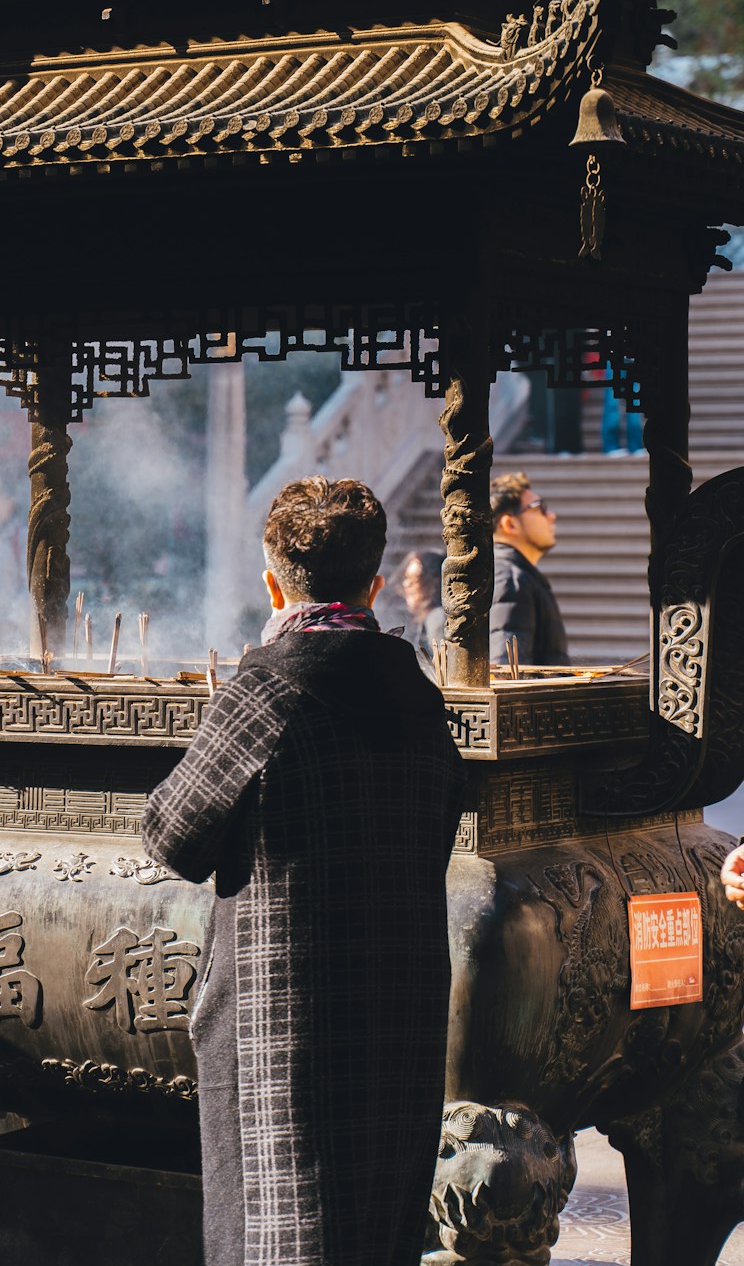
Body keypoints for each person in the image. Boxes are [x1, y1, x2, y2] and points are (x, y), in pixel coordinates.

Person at [142, 475, 467, 1266]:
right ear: (376, 582)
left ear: (271, 578)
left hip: (281, 1023)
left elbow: (171, 835)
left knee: (282, 1233)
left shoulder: (266, 688)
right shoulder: (422, 698)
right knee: (376, 1228)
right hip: (400, 1012)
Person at [489, 471, 569, 666]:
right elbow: (507, 674)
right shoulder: (511, 580)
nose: (551, 516)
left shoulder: (518, 576)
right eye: (539, 508)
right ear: (510, 524)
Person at [399, 548, 446, 660]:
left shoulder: (437, 618)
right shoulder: (429, 618)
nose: (406, 584)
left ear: (434, 582)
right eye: (406, 577)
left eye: (415, 578)